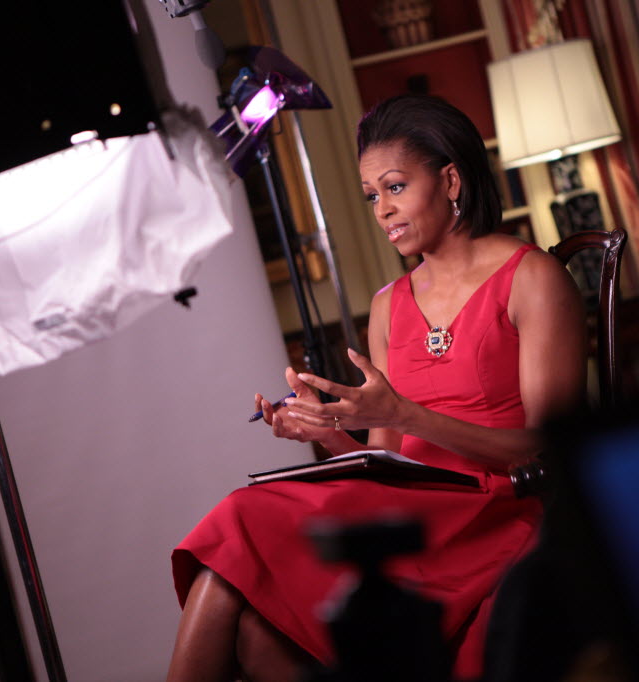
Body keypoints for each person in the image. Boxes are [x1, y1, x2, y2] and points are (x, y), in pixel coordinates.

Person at [166, 94, 587, 682]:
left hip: (495, 510)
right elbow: (386, 459)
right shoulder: (389, 305)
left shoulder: (532, 278)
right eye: (371, 196)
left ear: (450, 180)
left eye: (395, 187)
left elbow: (550, 449)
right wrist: (325, 429)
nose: (382, 210)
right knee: (246, 601)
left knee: (239, 526)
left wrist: (406, 415)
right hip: (409, 504)